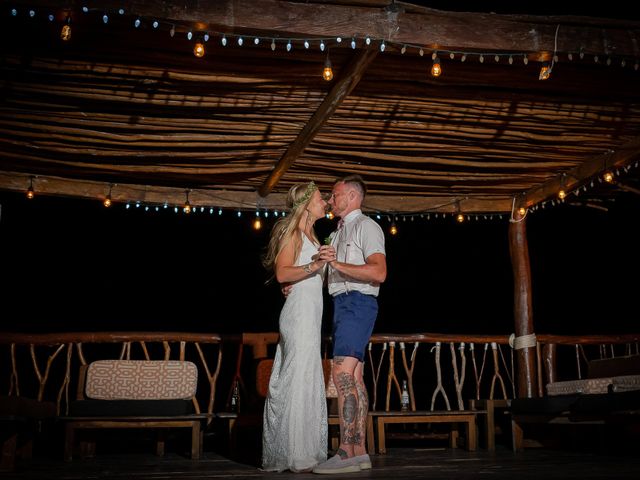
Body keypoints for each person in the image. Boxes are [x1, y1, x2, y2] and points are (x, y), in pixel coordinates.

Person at [312, 174, 387, 475]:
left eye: (335, 194)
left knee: (340, 371)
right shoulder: (340, 230)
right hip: (343, 304)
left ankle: (345, 451)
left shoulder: (366, 226)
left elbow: (379, 272)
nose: (331, 200)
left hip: (357, 302)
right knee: (354, 375)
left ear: (353, 196)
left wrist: (337, 264)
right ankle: (359, 452)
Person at [261, 181, 335, 473]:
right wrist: (313, 267)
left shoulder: (314, 235)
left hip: (312, 312)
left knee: (307, 375)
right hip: (298, 315)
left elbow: (309, 276)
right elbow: (282, 273)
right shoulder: (290, 231)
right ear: (306, 203)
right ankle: (292, 452)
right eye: (320, 198)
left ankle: (306, 449)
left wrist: (321, 267)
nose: (324, 203)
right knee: (296, 375)